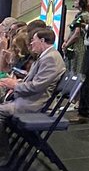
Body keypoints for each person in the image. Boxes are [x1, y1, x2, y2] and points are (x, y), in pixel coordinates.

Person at [0, 26, 66, 157]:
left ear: (42, 41)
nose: (30, 43)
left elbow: (36, 87)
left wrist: (14, 86)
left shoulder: (51, 58)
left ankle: (3, 152)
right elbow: (34, 82)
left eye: (33, 40)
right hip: (31, 99)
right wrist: (16, 83)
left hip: (34, 103)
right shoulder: (45, 56)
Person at [61, 0, 89, 76]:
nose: (74, 2)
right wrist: (66, 41)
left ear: (81, 2)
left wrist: (66, 45)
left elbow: (76, 34)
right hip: (72, 45)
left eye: (76, 1)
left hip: (77, 47)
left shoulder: (84, 16)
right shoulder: (79, 15)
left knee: (75, 70)